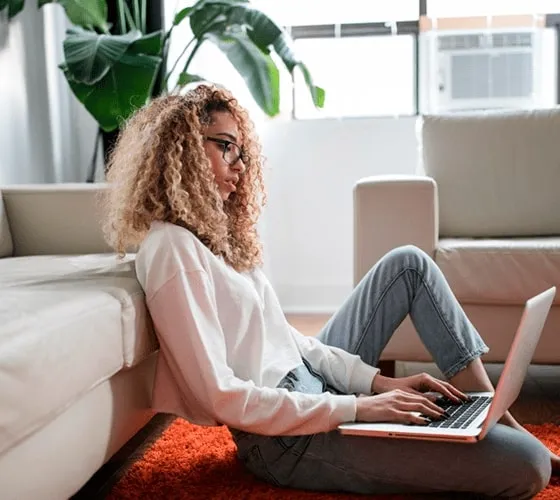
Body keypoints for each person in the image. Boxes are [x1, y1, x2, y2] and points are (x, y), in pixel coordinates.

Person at [102, 84, 557, 499]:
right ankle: (489, 426)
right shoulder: (171, 248)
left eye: (242, 151)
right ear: (182, 153)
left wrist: (378, 383)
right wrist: (357, 408)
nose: (240, 165)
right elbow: (220, 396)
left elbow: (289, 340)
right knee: (528, 466)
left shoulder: (217, 238)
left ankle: (488, 412)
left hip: (313, 390)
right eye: (226, 147)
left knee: (409, 264)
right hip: (285, 440)